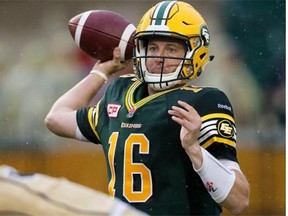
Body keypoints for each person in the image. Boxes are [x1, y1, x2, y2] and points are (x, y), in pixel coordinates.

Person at [45, 1, 250, 215]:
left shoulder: (204, 102)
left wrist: (195, 151)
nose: (158, 58)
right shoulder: (120, 93)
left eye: (170, 49)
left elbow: (239, 201)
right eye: (152, 47)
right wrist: (101, 72)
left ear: (193, 54)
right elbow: (55, 118)